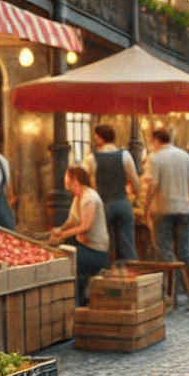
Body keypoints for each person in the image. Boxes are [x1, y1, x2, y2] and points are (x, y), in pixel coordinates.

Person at [143, 127, 189, 311]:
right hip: (184, 209)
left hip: (163, 210)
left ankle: (170, 296)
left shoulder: (154, 158)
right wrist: (184, 196)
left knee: (165, 253)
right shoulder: (185, 156)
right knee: (185, 252)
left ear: (155, 140)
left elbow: (152, 187)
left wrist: (146, 209)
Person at [49, 166, 109, 306]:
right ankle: (76, 302)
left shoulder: (90, 197)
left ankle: (74, 305)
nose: (66, 184)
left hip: (95, 251)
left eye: (67, 180)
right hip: (84, 246)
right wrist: (58, 229)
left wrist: (62, 235)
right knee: (63, 257)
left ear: (75, 180)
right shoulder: (77, 198)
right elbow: (72, 221)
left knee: (65, 263)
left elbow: (85, 226)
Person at [82, 124, 140, 263]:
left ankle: (104, 277)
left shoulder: (91, 159)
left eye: (96, 137)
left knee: (102, 245)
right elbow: (135, 181)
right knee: (127, 245)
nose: (95, 140)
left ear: (101, 138)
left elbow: (83, 181)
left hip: (103, 205)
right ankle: (130, 276)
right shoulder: (125, 155)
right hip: (122, 203)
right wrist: (134, 195)